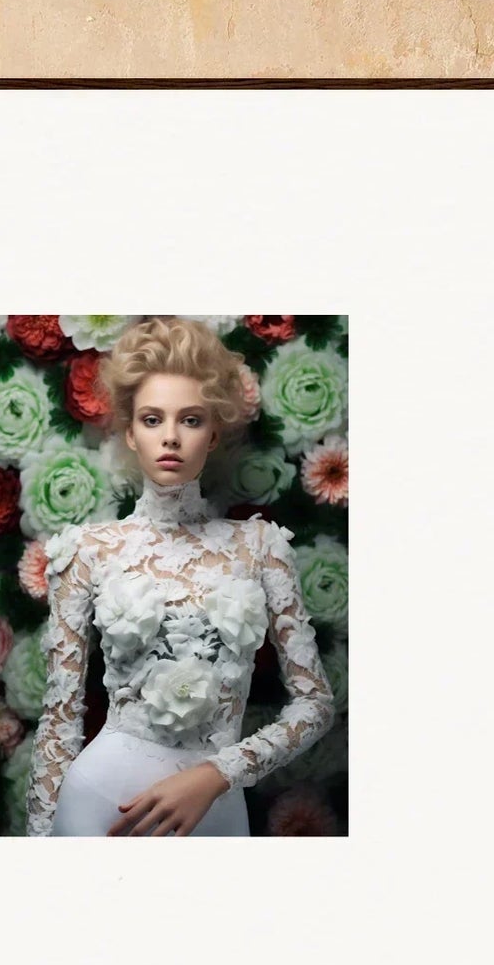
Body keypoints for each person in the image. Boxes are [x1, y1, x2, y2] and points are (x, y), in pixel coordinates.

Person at [24, 317, 335, 837]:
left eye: (190, 420)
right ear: (130, 432)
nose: (170, 436)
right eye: (152, 419)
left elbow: (315, 704)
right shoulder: (87, 549)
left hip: (213, 808)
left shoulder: (261, 547)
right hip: (98, 803)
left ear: (213, 435)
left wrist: (217, 774)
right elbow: (59, 723)